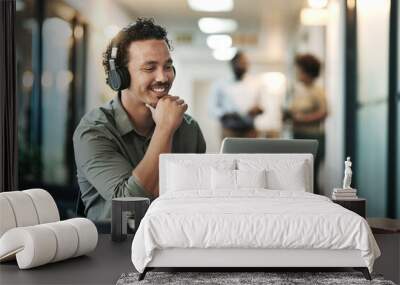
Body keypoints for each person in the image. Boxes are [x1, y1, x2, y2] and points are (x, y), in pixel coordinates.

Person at [73, 18, 206, 221]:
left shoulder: (189, 129)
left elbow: (197, 201)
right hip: (112, 246)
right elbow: (129, 206)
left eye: (167, 66)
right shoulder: (94, 131)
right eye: (149, 68)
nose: (163, 77)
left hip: (175, 242)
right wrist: (165, 129)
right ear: (120, 76)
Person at [289, 53, 327, 194]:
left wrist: (302, 119)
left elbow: (324, 113)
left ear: (307, 71)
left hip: (313, 138)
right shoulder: (298, 90)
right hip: (298, 136)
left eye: (299, 70)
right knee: (297, 178)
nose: (297, 73)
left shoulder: (317, 91)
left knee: (311, 177)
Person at [209, 51, 263, 139]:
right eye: (240, 63)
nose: (243, 65)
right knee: (229, 152)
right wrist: (226, 113)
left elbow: (261, 106)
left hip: (250, 131)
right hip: (229, 131)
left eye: (245, 63)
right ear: (232, 64)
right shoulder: (220, 84)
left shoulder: (255, 83)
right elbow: (212, 109)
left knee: (252, 152)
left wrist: (257, 109)